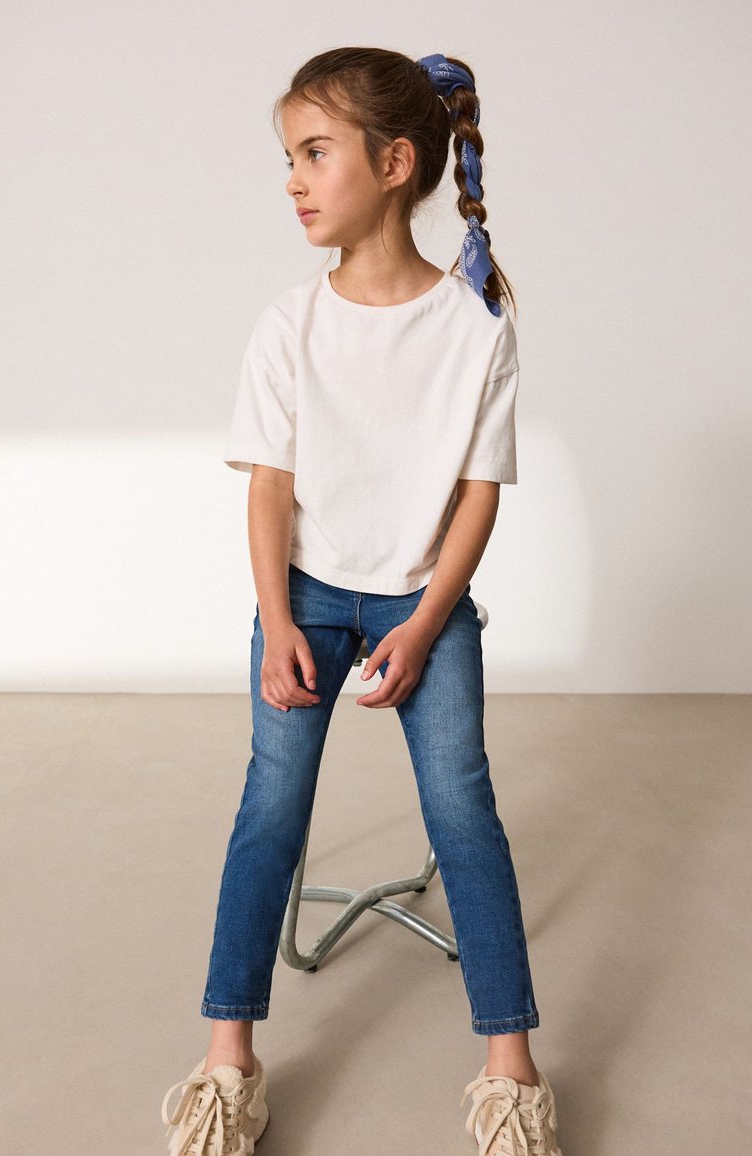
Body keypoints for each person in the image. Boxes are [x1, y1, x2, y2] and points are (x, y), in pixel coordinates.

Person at [161, 46, 563, 1156]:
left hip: (422, 602)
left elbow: (478, 496)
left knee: (463, 810)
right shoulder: (288, 324)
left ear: (393, 164)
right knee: (270, 809)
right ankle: (228, 1060)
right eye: (287, 158)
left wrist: (426, 624)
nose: (291, 180)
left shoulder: (476, 327)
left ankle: (510, 1072)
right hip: (300, 596)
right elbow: (269, 489)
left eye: (313, 153)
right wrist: (277, 623)